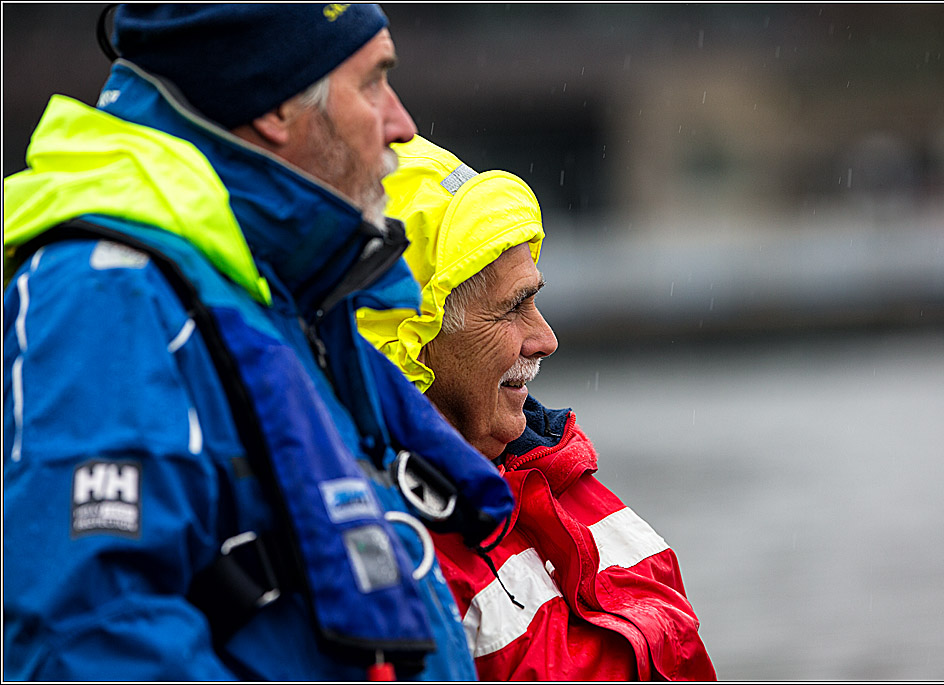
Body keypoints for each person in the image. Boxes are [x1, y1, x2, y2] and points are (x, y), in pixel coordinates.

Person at [2, 5, 514, 681]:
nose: (401, 123)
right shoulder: (105, 294)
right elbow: (85, 639)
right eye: (372, 83)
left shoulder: (267, 291)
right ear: (277, 106)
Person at [357, 134, 718, 681]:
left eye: (534, 300)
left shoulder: (554, 473)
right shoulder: (390, 547)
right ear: (410, 345)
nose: (545, 338)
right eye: (512, 309)